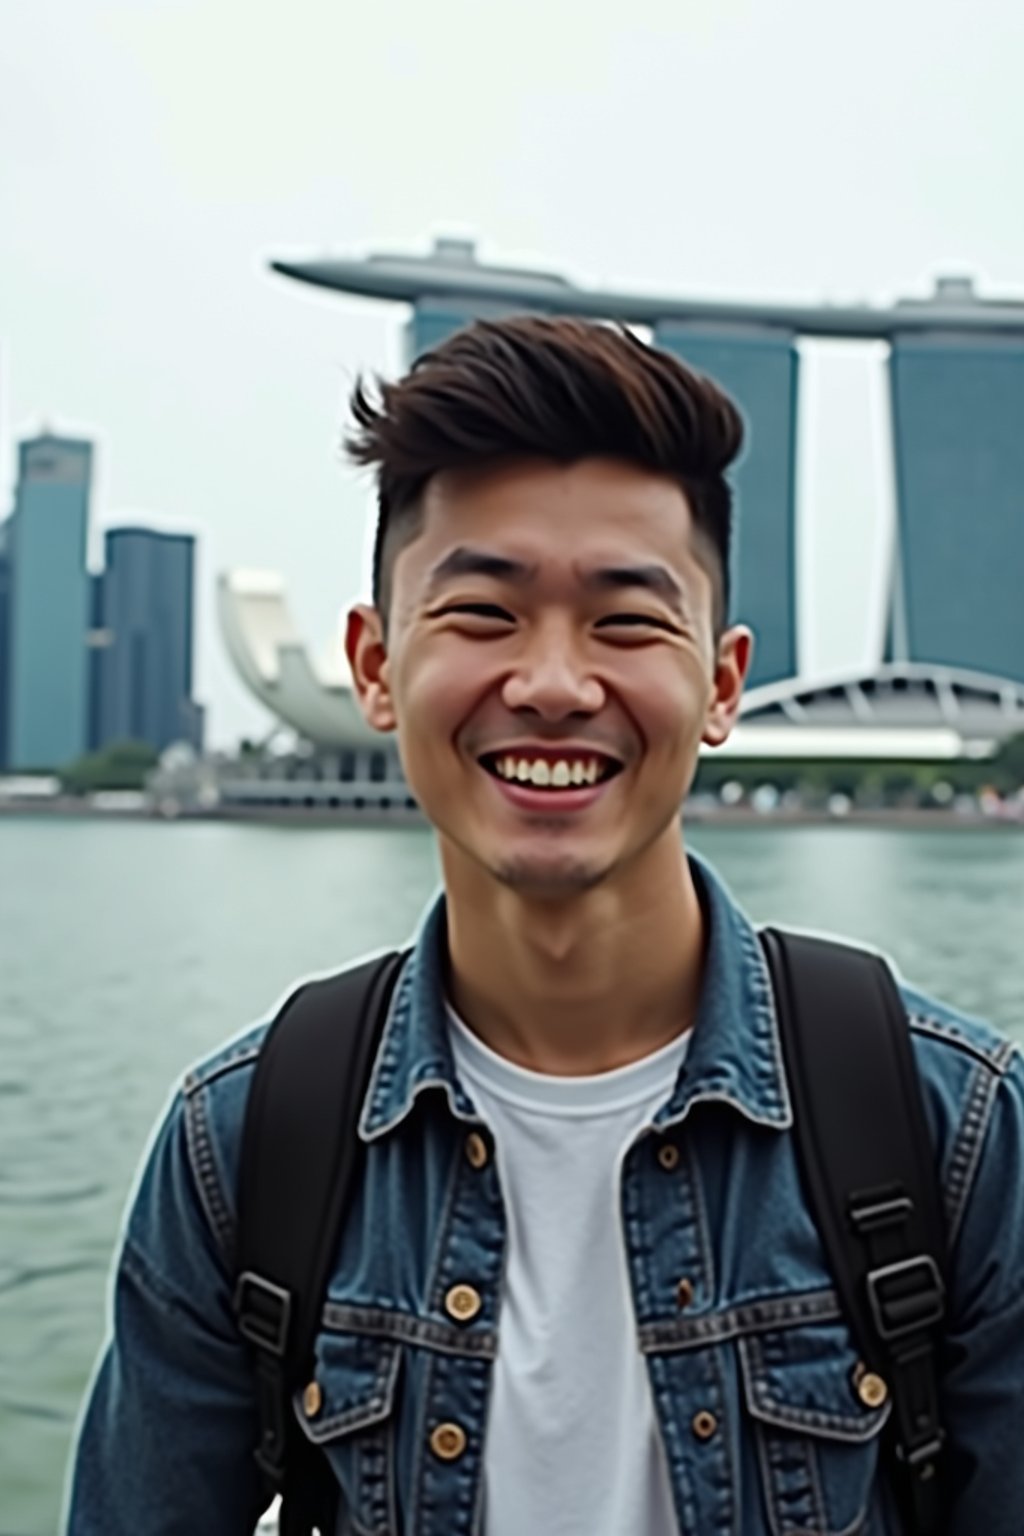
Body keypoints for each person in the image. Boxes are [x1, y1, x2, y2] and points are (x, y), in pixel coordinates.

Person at [65, 317, 1024, 1535]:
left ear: (723, 682)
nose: (557, 685)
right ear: (374, 665)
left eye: (627, 621)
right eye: (482, 615)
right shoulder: (244, 1146)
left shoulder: (951, 1132)